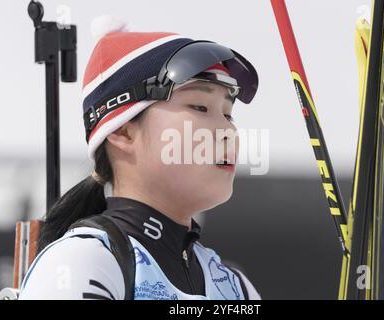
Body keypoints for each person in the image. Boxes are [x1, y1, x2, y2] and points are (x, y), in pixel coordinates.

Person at [19, 16, 260, 300]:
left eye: (228, 113)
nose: (227, 131)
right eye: (199, 106)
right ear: (122, 131)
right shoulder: (83, 262)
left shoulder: (236, 287)